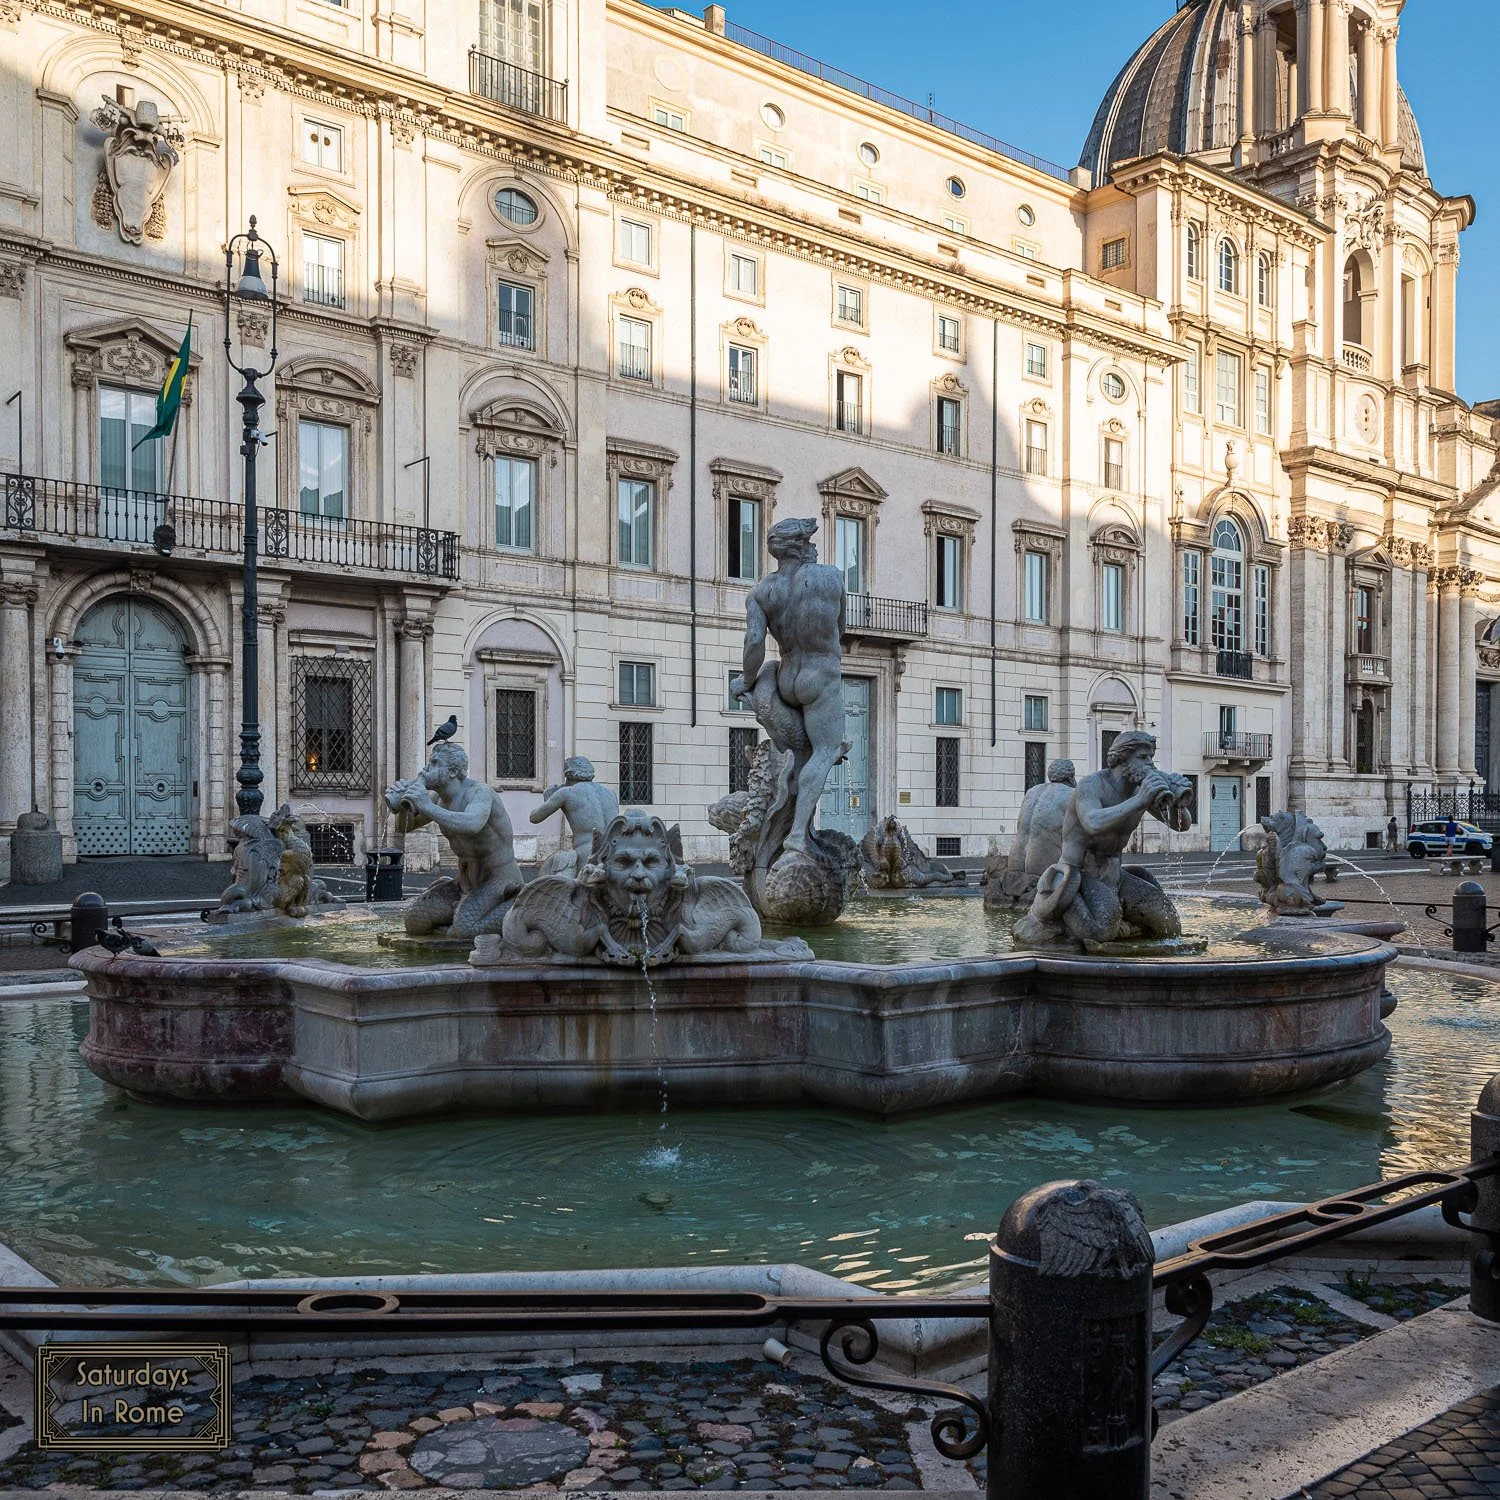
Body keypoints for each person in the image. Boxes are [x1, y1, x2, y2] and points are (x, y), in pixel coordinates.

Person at [729, 515, 847, 861]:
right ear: (801, 545)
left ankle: (791, 819)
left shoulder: (762, 592)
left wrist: (747, 681)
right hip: (820, 676)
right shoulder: (831, 577)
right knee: (826, 751)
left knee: (801, 755)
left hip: (785, 677)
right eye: (809, 541)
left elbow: (754, 642)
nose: (813, 546)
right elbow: (840, 628)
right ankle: (796, 836)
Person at [384, 741, 525, 937]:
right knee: (415, 922)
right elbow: (404, 827)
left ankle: (520, 904)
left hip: (499, 882)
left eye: (434, 763)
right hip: (464, 883)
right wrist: (403, 807)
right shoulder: (437, 798)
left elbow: (471, 824)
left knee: (467, 929)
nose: (426, 768)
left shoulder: (479, 792)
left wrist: (424, 804)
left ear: (452, 772)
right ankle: (460, 912)